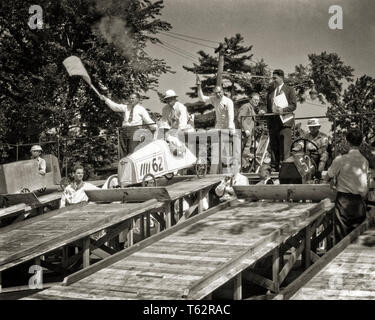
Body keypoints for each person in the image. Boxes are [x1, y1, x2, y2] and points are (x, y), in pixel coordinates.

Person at [324, 128, 369, 240]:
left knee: (341, 237)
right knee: (358, 237)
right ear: (361, 142)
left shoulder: (341, 160)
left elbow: (327, 176)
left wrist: (331, 180)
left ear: (347, 142)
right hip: (359, 202)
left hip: (343, 202)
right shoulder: (365, 161)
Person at [100, 92, 157, 158]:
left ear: (138, 99)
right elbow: (115, 107)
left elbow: (147, 120)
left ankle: (133, 166)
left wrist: (155, 127)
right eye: (130, 98)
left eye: (133, 98)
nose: (131, 100)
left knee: (133, 151)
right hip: (124, 130)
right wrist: (106, 99)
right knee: (122, 151)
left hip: (135, 130)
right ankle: (123, 166)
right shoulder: (126, 107)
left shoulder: (141, 109)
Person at [266, 69, 297, 171]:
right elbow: (268, 107)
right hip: (273, 123)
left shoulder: (289, 89)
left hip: (285, 122)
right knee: (274, 147)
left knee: (285, 147)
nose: (273, 80)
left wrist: (283, 110)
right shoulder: (270, 91)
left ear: (281, 78)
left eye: (275, 78)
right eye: (273, 78)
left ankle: (285, 169)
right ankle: (274, 168)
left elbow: (293, 105)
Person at [237, 93, 263, 170]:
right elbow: (240, 118)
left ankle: (244, 167)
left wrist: (259, 114)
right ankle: (242, 168)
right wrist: (246, 130)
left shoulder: (251, 108)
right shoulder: (246, 106)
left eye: (258, 100)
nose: (256, 102)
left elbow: (252, 121)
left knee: (246, 150)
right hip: (244, 133)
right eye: (255, 100)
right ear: (250, 99)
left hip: (248, 134)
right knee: (244, 150)